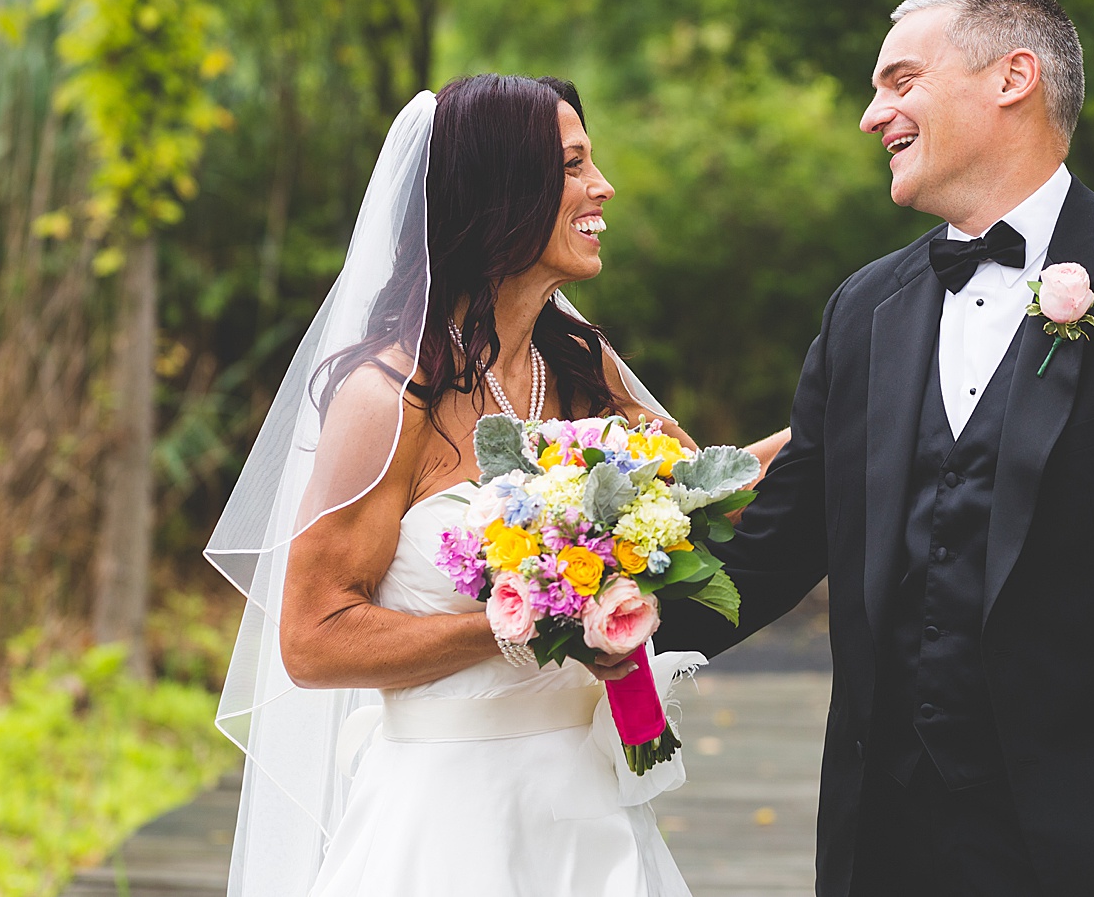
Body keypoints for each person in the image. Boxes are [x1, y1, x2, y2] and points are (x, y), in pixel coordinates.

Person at [658, 0, 1094, 897]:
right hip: (889, 845)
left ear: (1013, 76)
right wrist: (577, 619)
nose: (870, 115)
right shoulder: (863, 312)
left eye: (899, 81)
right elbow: (772, 548)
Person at [205, 74, 779, 897]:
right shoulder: (390, 396)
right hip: (449, 819)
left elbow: (709, 489)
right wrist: (530, 621)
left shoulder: (583, 368)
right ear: (503, 195)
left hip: (589, 811)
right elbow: (313, 639)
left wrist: (844, 413)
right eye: (574, 165)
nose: (601, 185)